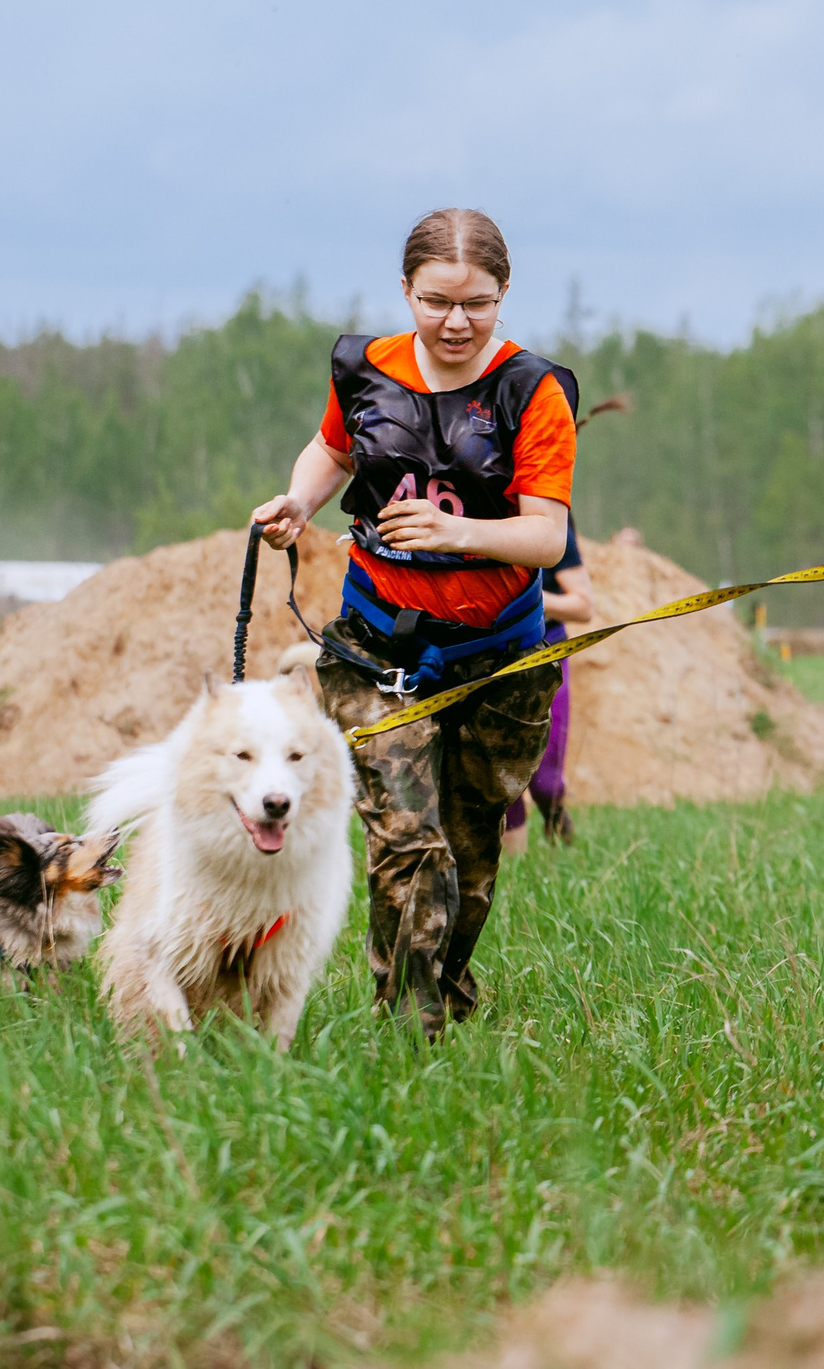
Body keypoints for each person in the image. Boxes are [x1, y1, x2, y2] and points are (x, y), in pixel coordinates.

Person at [251, 208, 576, 1038]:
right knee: (405, 838)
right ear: (406, 291)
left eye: (477, 302)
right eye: (436, 301)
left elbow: (544, 535)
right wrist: (299, 501)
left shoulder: (531, 391)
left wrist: (456, 533)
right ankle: (407, 1030)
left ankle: (446, 990)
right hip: (375, 649)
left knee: (470, 856)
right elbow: (331, 450)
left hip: (498, 661)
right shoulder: (364, 368)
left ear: (505, 295)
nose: (456, 321)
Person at [501, 519, 592, 853]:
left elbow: (583, 606)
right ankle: (516, 878)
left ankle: (557, 823)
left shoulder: (551, 527)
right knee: (502, 778)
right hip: (487, 657)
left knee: (545, 782)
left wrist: (525, 596)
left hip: (546, 652)